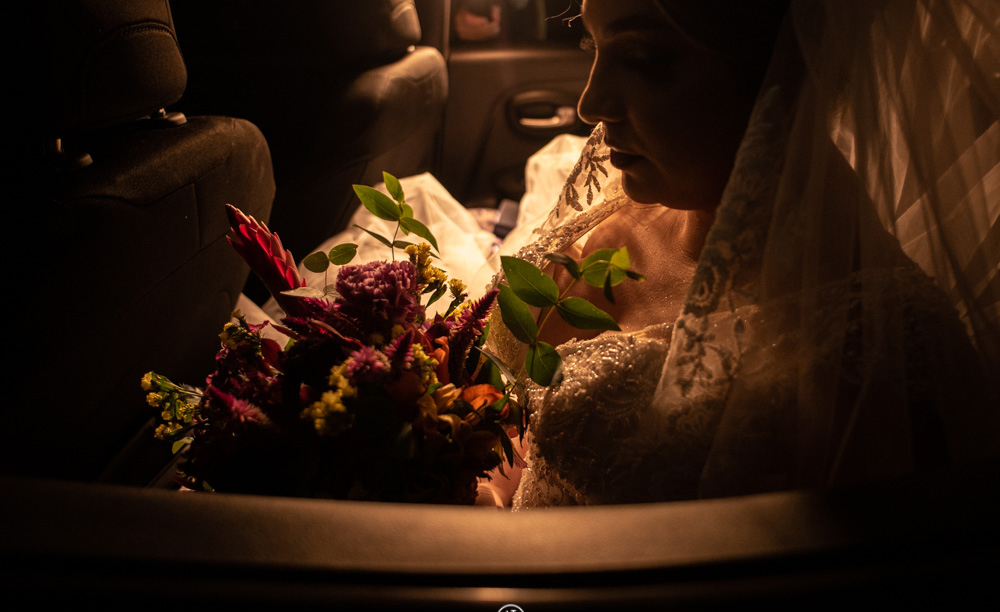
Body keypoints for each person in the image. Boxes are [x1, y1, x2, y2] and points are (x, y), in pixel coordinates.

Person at [253, 0, 999, 508]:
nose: (589, 104)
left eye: (643, 58)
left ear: (789, 70)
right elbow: (524, 442)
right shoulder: (611, 216)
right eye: (592, 46)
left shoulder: (882, 358)